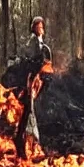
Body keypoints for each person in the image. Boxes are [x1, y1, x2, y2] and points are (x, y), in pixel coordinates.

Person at [14, 16, 52, 159]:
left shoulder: (41, 44)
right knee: (28, 111)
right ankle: (21, 141)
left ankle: (28, 144)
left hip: (37, 81)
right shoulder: (33, 42)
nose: (40, 28)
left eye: (41, 26)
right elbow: (30, 62)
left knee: (31, 112)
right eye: (37, 26)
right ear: (33, 28)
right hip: (30, 81)